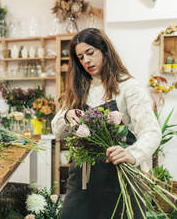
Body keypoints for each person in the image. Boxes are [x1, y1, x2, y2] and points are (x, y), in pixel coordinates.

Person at [51, 28, 161, 219]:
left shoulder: (128, 87)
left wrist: (132, 154)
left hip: (119, 181)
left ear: (104, 50)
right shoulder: (78, 89)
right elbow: (57, 131)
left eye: (90, 53)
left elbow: (151, 132)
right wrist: (67, 114)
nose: (86, 60)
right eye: (80, 57)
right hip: (82, 182)